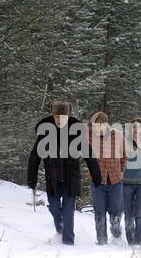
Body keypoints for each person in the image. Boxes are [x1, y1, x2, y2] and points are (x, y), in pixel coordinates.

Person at [27, 101, 102, 245]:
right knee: (54, 206)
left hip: (71, 178)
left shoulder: (76, 132)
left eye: (63, 116)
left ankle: (68, 242)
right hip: (53, 178)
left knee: (68, 211)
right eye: (57, 116)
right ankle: (60, 228)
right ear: (53, 116)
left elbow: (89, 155)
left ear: (68, 116)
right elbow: (35, 156)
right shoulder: (45, 132)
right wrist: (32, 178)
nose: (60, 119)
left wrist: (96, 176)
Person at [88, 112, 127, 245]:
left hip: (115, 181)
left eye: (101, 124)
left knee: (115, 213)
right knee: (99, 214)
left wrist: (120, 171)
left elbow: (124, 156)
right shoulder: (89, 136)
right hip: (98, 181)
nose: (99, 127)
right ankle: (102, 242)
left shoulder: (118, 136)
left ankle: (116, 235)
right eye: (96, 124)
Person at [122, 119, 141, 246]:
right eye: (134, 127)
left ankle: (138, 242)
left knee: (140, 214)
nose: (136, 130)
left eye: (139, 127)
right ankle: (130, 241)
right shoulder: (123, 142)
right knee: (128, 214)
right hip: (126, 183)